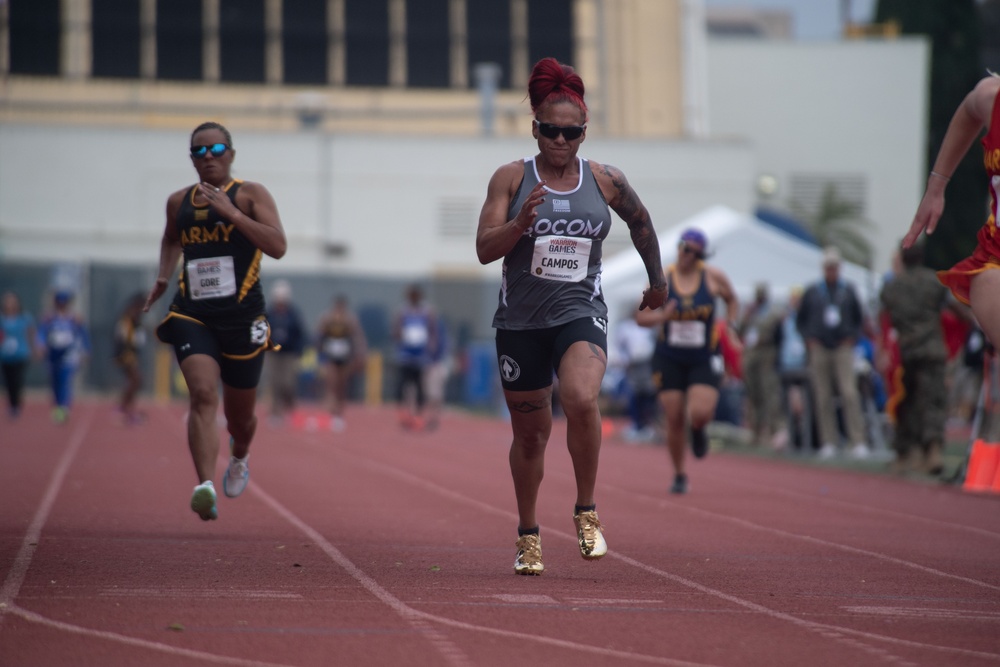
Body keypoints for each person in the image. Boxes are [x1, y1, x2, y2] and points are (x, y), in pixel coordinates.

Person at [476, 57, 668, 575]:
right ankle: (528, 532)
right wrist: (520, 222)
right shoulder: (511, 177)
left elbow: (642, 222)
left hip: (580, 311)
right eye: (550, 131)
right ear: (535, 128)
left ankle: (586, 509)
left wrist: (657, 281)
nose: (560, 140)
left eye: (571, 132)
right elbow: (484, 249)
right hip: (519, 324)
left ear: (584, 133)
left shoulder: (605, 179)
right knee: (532, 436)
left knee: (582, 397)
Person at [144, 121, 287, 521]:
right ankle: (204, 485)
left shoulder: (251, 194)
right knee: (203, 395)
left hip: (243, 317)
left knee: (241, 418)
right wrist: (162, 275)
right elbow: (172, 236)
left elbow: (278, 245)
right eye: (200, 152)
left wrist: (231, 213)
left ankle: (239, 455)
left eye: (217, 149)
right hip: (193, 312)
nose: (210, 157)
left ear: (231, 154)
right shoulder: (178, 202)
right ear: (192, 159)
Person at [636, 229, 740, 495]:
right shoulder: (663, 278)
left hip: (703, 356)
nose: (686, 254)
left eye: (694, 251)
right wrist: (663, 317)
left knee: (700, 412)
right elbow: (640, 318)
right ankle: (679, 474)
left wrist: (730, 324)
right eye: (684, 247)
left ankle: (700, 428)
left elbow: (732, 299)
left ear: (701, 256)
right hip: (669, 356)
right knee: (674, 417)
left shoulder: (712, 277)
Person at [879, 241, 950, 475]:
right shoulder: (934, 281)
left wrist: (882, 350)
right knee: (932, 400)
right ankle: (933, 450)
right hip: (932, 350)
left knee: (906, 402)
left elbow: (882, 317)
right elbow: (955, 308)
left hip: (906, 352)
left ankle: (907, 453)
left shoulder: (892, 286)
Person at [795, 246, 869, 460]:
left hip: (843, 347)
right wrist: (809, 339)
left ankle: (858, 440)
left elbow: (858, 318)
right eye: (828, 267)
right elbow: (800, 320)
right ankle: (829, 441)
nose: (831, 271)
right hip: (819, 347)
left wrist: (852, 337)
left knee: (849, 392)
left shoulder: (848, 291)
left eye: (834, 267)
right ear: (823, 268)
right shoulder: (812, 291)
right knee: (823, 395)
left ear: (839, 268)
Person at [738, 282, 783, 447]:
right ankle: (755, 432)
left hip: (766, 355)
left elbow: (777, 335)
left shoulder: (774, 313)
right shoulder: (750, 311)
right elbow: (740, 332)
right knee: (753, 394)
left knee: (769, 393)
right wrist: (747, 316)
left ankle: (773, 431)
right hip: (751, 355)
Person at [36, 290, 90, 424]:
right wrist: (40, 345)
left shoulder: (74, 318)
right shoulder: (49, 318)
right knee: (55, 382)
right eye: (59, 302)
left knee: (65, 381)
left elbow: (83, 335)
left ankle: (64, 408)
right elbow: (42, 333)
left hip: (69, 354)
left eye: (64, 303)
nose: (61, 305)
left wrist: (86, 350)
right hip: (53, 354)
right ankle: (57, 405)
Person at [316, 294, 368, 432]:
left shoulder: (350, 320)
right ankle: (332, 411)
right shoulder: (327, 319)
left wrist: (359, 356)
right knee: (332, 383)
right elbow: (319, 337)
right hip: (331, 356)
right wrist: (319, 353)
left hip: (345, 357)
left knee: (342, 385)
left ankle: (339, 412)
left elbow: (358, 338)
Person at [392, 284, 437, 431]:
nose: (414, 298)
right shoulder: (403, 311)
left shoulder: (427, 311)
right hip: (405, 355)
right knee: (403, 385)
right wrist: (403, 336)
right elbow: (396, 330)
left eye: (416, 295)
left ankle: (418, 416)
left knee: (419, 387)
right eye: (411, 295)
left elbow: (432, 332)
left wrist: (431, 348)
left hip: (421, 356)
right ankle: (403, 414)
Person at [264, 280, 306, 427]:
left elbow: (300, 333)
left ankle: (289, 407)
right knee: (275, 383)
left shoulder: (293, 314)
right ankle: (276, 412)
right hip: (273, 353)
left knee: (288, 383)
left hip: (289, 354)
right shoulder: (269, 313)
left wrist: (299, 351)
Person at [0, 291, 37, 419]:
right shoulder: (2, 319)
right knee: (8, 381)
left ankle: (16, 405)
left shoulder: (24, 318)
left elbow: (31, 333)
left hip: (20, 354)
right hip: (5, 355)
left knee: (17, 380)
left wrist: (34, 349)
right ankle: (11, 404)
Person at [113, 292, 148, 425]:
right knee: (135, 381)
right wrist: (123, 355)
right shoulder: (127, 319)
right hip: (127, 355)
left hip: (130, 354)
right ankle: (124, 408)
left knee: (135, 382)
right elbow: (123, 339)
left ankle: (126, 409)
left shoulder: (135, 319)